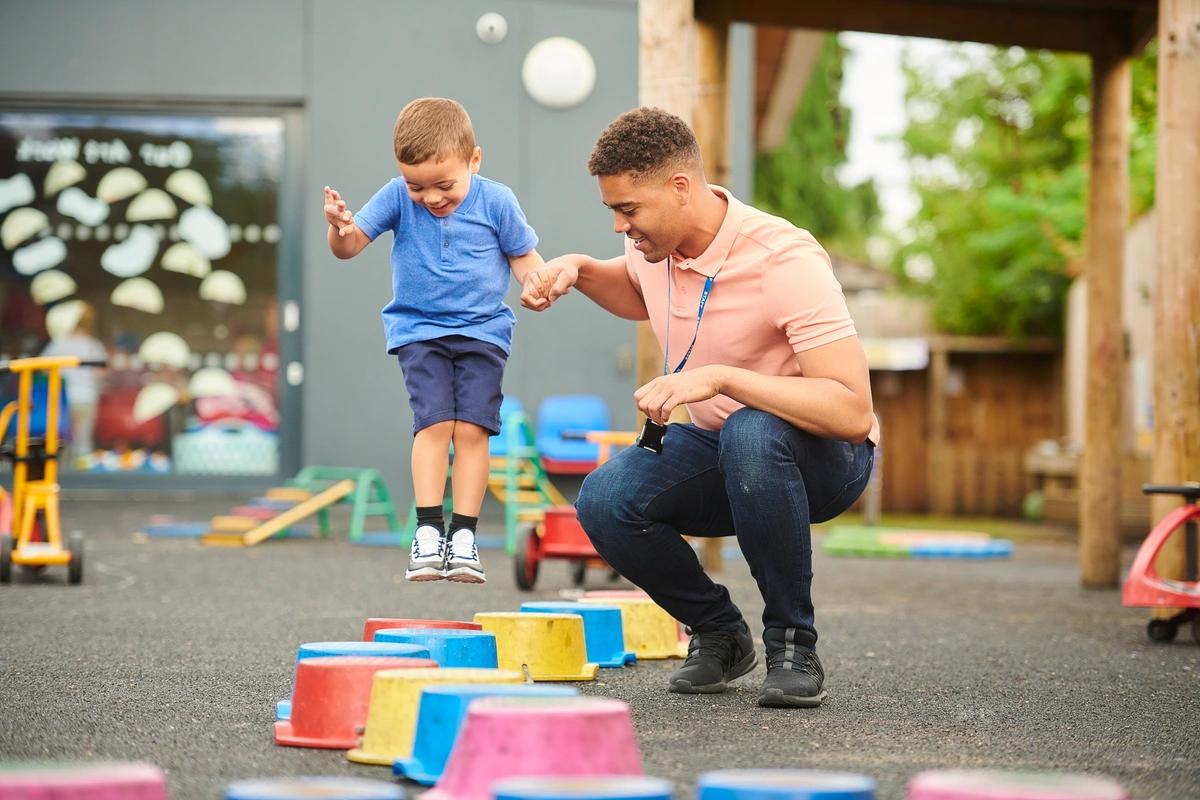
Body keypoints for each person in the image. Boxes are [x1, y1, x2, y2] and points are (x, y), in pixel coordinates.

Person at [520, 107, 878, 708]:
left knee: (751, 430)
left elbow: (851, 412)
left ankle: (793, 643)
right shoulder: (653, 248)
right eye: (612, 210)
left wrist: (720, 379)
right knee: (605, 500)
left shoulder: (783, 260)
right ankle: (719, 633)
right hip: (726, 448)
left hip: (824, 456)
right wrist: (578, 270)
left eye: (627, 209)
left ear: (680, 187)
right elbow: (636, 291)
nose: (618, 225)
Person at [324, 97, 543, 584]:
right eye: (416, 185)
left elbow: (524, 257)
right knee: (434, 424)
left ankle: (463, 536)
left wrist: (537, 283)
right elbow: (350, 246)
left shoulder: (497, 201)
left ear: (474, 160)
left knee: (473, 431)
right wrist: (339, 229)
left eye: (445, 185)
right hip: (419, 329)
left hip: (484, 331)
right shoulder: (396, 197)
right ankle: (428, 531)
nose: (431, 197)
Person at [41, 301, 107, 467]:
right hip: (87, 396)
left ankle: (61, 471)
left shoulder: (58, 343)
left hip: (62, 398)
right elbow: (101, 372)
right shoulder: (93, 345)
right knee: (83, 439)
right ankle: (82, 475)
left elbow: (42, 368)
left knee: (61, 437)